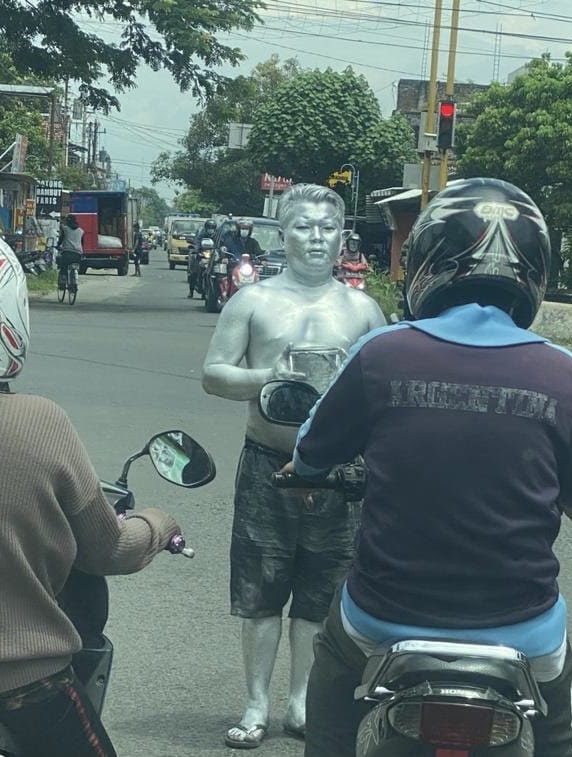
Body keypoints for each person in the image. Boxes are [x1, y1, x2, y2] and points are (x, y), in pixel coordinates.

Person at [283, 178, 572, 757]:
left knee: (334, 676)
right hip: (523, 628)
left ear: (427, 261)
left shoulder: (382, 352)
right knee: (556, 733)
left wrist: (312, 471)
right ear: (535, 270)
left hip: (383, 618)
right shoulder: (562, 371)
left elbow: (310, 453)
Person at [0, 225, 183, 757]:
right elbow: (108, 551)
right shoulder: (37, 422)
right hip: (19, 693)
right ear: (1, 315)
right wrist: (157, 523)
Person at [201, 184, 386, 749]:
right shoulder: (252, 302)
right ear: (282, 234)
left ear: (342, 237)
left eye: (327, 228)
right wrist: (270, 378)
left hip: (338, 472)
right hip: (268, 461)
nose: (316, 238)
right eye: (303, 227)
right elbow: (214, 374)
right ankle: (256, 703)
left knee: (320, 594)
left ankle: (300, 701)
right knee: (260, 591)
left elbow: (384, 389)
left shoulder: (362, 310)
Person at [189, 219, 217, 298]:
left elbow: (220, 243)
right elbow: (197, 242)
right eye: (209, 227)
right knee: (194, 272)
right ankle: (191, 291)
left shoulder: (217, 236)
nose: (210, 229)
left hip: (212, 256)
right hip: (201, 254)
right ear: (206, 227)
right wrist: (196, 249)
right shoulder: (201, 234)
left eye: (212, 228)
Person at [57, 213, 84, 288]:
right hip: (77, 255)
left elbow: (61, 240)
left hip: (67, 253)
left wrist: (57, 246)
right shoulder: (81, 231)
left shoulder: (65, 229)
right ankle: (74, 280)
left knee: (63, 267)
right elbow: (82, 243)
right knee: (75, 267)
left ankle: (62, 282)